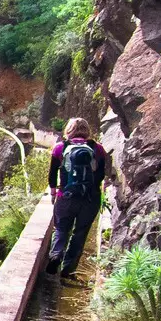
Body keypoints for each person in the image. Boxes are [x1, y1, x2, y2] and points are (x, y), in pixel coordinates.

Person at [46, 117, 111, 279]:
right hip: (90, 199)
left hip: (66, 197)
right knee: (80, 234)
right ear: (87, 131)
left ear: (69, 131)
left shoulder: (60, 148)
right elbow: (102, 174)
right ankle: (68, 269)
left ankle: (56, 255)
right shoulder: (98, 149)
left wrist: (54, 193)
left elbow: (53, 173)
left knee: (61, 229)